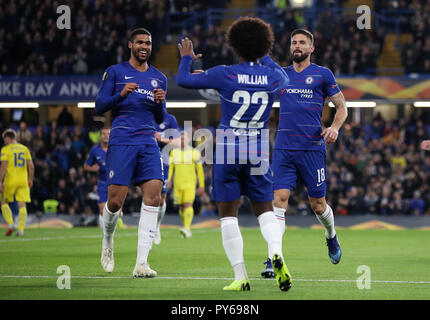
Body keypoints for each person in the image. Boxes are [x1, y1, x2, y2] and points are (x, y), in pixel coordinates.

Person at [177, 17, 292, 292]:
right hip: (258, 148)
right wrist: (264, 57)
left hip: (228, 147)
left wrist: (185, 58)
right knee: (265, 210)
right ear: (264, 45)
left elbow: (182, 80)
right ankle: (275, 252)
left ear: (234, 45)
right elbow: (284, 77)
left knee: (228, 214)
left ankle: (240, 276)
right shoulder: (274, 76)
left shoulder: (224, 73)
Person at [262, 29, 347, 278]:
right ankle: (272, 258)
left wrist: (334, 127)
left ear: (311, 48)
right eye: (293, 43)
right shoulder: (282, 75)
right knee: (278, 200)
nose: (297, 46)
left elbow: (341, 106)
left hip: (312, 148)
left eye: (302, 43)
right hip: (284, 148)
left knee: (318, 205)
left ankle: (331, 235)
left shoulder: (322, 74)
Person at [95, 27, 167, 278]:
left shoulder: (159, 78)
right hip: (122, 140)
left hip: (147, 141)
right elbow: (99, 106)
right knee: (115, 202)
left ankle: (141, 263)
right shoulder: (115, 72)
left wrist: (160, 103)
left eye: (148, 42)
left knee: (154, 197)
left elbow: (161, 118)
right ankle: (107, 242)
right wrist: (120, 94)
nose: (144, 46)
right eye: (140, 42)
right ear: (130, 45)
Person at [84, 127, 124, 229]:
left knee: (115, 211)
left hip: (115, 183)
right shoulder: (95, 150)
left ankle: (116, 219)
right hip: (102, 183)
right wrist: (92, 168)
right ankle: (106, 235)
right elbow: (86, 166)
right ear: (100, 136)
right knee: (102, 210)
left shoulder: (116, 148)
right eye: (103, 134)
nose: (106, 136)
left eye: (108, 134)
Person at [168, 131, 205, 238]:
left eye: (185, 138)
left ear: (189, 140)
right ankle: (185, 226)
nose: (183, 140)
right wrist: (169, 180)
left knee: (188, 204)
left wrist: (201, 185)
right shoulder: (173, 152)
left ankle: (187, 228)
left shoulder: (195, 153)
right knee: (181, 207)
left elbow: (200, 170)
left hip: (190, 184)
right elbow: (170, 168)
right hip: (178, 184)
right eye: (181, 138)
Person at [0, 129, 34, 236]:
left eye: (4, 139)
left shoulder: (5, 149)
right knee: (22, 205)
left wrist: (0, 181)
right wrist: (30, 179)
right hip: (23, 180)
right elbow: (31, 166)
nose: (4, 141)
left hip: (10, 180)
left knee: (3, 202)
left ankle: (11, 224)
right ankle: (21, 229)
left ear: (7, 138)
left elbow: (4, 166)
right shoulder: (24, 149)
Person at [153, 111, 180, 245]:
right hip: (146, 159)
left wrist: (161, 139)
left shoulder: (170, 119)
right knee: (148, 194)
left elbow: (178, 142)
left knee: (161, 199)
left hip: (164, 161)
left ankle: (156, 226)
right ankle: (148, 231)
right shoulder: (145, 114)